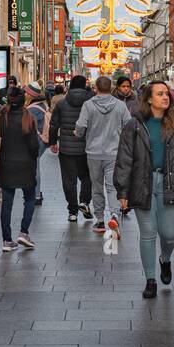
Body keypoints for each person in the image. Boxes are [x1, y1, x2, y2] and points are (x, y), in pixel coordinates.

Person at [115, 80, 174, 299]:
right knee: (148, 234)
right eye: (160, 94)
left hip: (169, 183)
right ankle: (150, 280)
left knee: (169, 234)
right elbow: (124, 159)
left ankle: (165, 259)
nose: (166, 97)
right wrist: (122, 192)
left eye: (167, 94)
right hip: (142, 183)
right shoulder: (135, 125)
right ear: (149, 99)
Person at [75, 75, 133, 232]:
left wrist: (78, 133)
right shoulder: (120, 105)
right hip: (114, 152)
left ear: (96, 88)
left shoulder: (88, 105)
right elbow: (129, 125)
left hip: (93, 152)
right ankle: (114, 215)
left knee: (97, 186)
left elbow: (80, 126)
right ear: (111, 87)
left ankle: (100, 220)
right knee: (113, 185)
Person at [0, 86, 41, 251]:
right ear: (24, 101)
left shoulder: (1, 116)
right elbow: (34, 146)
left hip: (5, 164)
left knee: (6, 203)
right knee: (29, 199)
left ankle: (6, 240)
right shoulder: (28, 117)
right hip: (25, 165)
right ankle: (23, 231)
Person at [49, 75, 96, 222]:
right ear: (84, 86)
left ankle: (73, 211)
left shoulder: (62, 104)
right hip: (87, 148)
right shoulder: (91, 103)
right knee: (87, 177)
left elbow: (53, 124)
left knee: (69, 180)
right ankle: (84, 202)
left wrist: (52, 142)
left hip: (67, 149)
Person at [25, 81, 52, 205]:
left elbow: (28, 128)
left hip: (36, 140)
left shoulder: (32, 109)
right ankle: (36, 193)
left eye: (26, 92)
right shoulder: (42, 105)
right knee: (34, 167)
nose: (24, 94)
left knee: (34, 168)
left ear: (30, 95)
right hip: (42, 140)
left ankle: (35, 195)